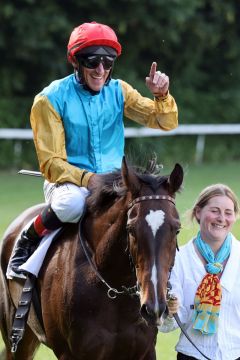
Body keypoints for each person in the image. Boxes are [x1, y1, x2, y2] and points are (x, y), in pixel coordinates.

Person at [9, 21, 178, 275]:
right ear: (75, 61)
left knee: (155, 208)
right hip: (68, 182)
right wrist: (89, 179)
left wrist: (162, 96)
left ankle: (162, 281)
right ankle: (29, 238)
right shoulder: (49, 99)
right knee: (72, 206)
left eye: (108, 62)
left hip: (114, 182)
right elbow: (51, 164)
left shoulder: (120, 91)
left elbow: (165, 121)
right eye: (92, 61)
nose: (101, 70)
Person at [159, 184, 240, 360]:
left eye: (228, 212)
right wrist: (169, 310)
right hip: (192, 356)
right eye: (215, 211)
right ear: (198, 213)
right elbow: (169, 324)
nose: (221, 218)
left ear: (235, 216)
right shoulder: (178, 259)